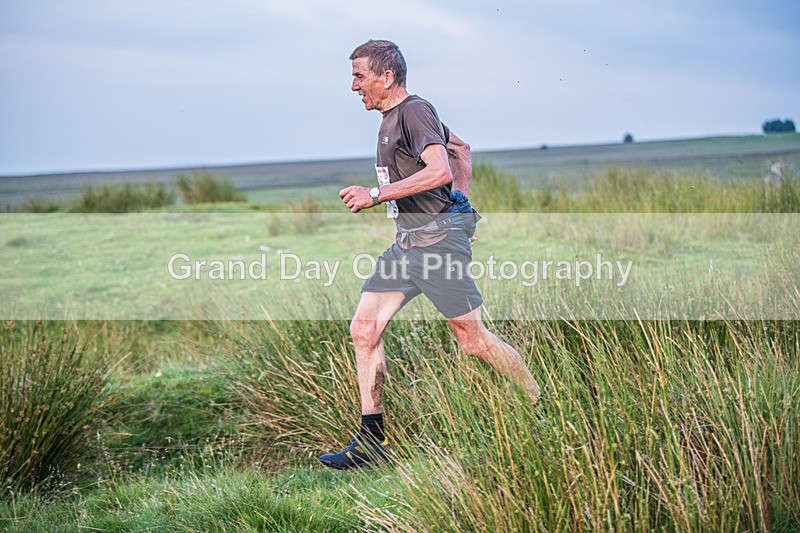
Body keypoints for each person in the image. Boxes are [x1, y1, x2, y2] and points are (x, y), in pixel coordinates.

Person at [319, 40, 540, 470]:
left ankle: (540, 410)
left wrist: (377, 195)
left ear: (387, 77)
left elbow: (440, 168)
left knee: (473, 342)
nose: (353, 86)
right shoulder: (393, 118)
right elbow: (461, 149)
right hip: (407, 244)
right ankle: (371, 442)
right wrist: (459, 206)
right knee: (364, 330)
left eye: (359, 76)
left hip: (436, 246)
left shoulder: (414, 111)